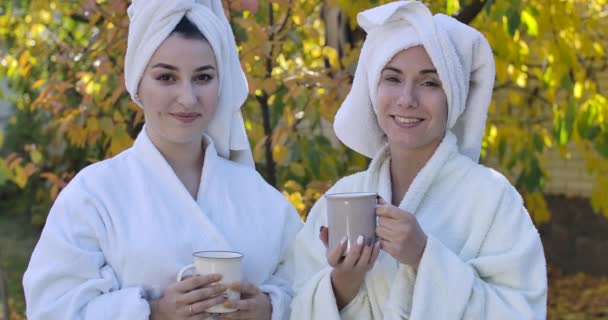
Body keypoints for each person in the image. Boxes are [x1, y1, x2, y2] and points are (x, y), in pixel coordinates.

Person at [22, 1, 302, 319]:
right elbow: (51, 308)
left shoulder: (259, 196)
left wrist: (272, 307)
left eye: (203, 77)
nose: (187, 98)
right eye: (166, 78)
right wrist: (153, 312)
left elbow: (313, 286)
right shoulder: (93, 195)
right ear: (137, 83)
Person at [290, 1, 547, 319]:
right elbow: (291, 301)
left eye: (429, 83)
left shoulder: (493, 200)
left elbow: (522, 312)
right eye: (393, 79)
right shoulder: (340, 198)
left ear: (453, 96)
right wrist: (342, 285)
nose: (406, 100)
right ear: (373, 88)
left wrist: (424, 256)